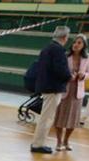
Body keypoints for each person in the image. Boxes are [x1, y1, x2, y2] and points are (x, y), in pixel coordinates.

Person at [31, 26, 73, 154]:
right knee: (47, 117)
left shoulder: (47, 48)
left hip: (46, 86)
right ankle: (38, 144)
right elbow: (60, 70)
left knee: (46, 116)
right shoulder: (58, 50)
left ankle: (38, 142)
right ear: (65, 37)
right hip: (53, 88)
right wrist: (69, 76)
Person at [55, 35, 89, 151]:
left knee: (73, 119)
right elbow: (59, 71)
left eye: (79, 43)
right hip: (65, 89)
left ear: (84, 46)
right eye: (75, 42)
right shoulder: (66, 56)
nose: (76, 44)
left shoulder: (88, 58)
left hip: (78, 91)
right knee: (60, 117)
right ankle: (59, 142)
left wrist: (83, 76)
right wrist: (68, 76)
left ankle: (66, 141)